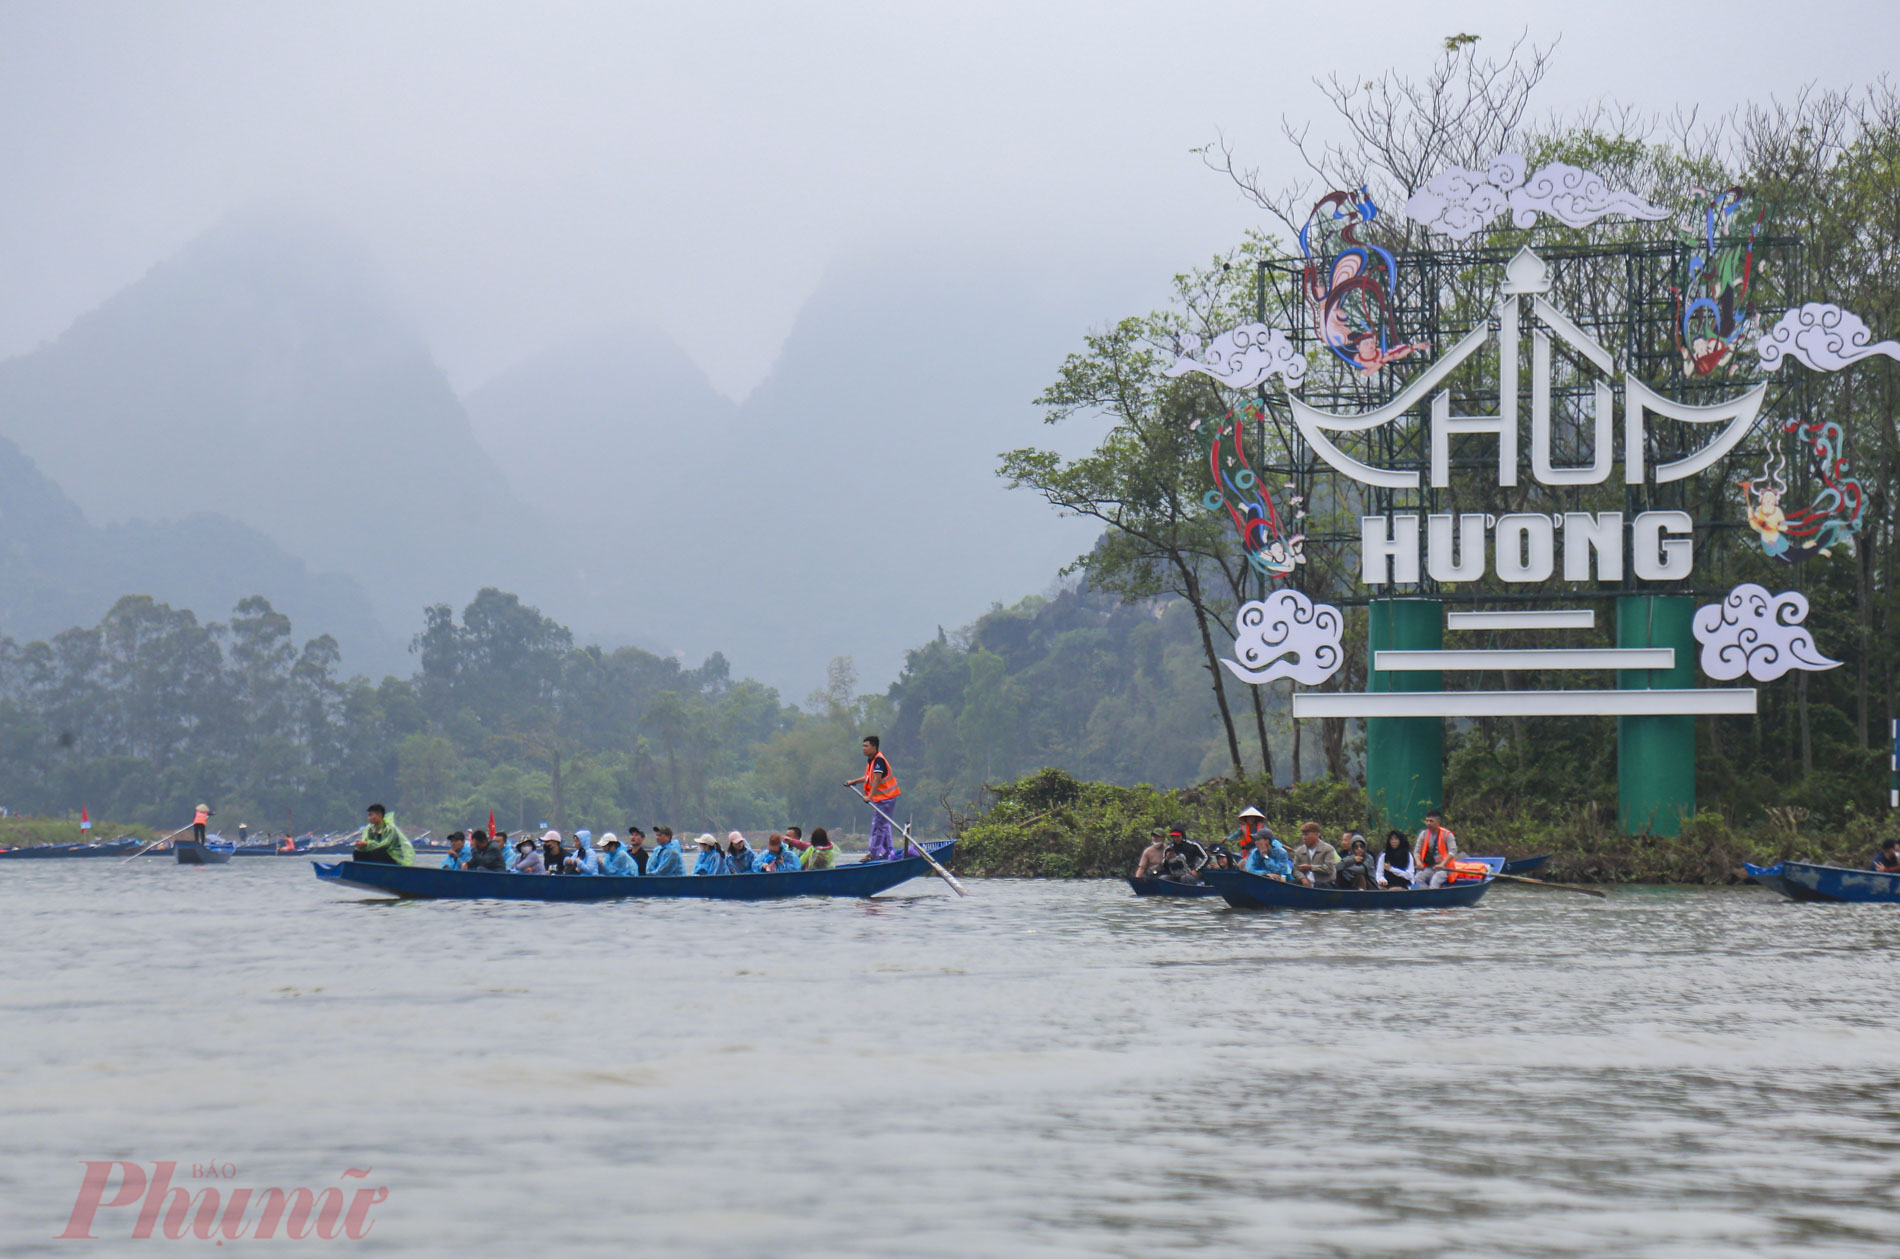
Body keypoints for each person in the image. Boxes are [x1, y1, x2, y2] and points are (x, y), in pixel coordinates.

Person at [850, 734, 901, 861]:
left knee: (878, 825)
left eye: (866, 746)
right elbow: (868, 778)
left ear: (874, 747)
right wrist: (853, 781)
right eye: (863, 746)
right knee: (884, 825)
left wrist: (869, 796)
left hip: (886, 797)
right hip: (881, 798)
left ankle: (872, 854)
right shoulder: (871, 761)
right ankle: (889, 852)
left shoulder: (879, 760)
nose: (863, 748)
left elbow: (877, 779)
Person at [1414, 809, 1459, 890]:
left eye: (1431, 821)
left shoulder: (1447, 834)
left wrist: (1442, 864)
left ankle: (1431, 896)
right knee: (1418, 878)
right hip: (1430, 867)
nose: (1428, 823)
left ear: (1438, 822)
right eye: (1427, 821)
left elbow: (1453, 851)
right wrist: (1418, 862)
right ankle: (1427, 895)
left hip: (1445, 868)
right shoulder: (1423, 834)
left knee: (1435, 880)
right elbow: (1416, 851)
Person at [1290, 823, 1338, 888]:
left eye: (1306, 834)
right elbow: (1295, 870)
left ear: (1316, 834)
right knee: (1293, 884)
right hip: (1305, 883)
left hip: (1324, 884)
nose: (1304, 837)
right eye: (1303, 835)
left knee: (1320, 885)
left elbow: (1329, 869)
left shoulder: (1327, 849)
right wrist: (1303, 879)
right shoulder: (1300, 851)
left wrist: (1311, 867)